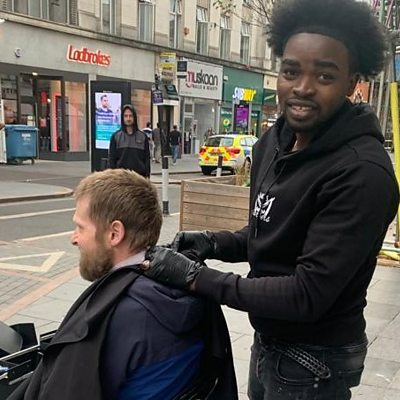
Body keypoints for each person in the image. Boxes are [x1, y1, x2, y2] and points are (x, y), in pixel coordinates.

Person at [142, 0, 400, 399]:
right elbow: (271, 234)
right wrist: (212, 242)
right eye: (291, 71)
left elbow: (306, 294)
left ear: (353, 84)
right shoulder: (273, 143)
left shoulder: (361, 173)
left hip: (315, 359)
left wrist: (196, 278)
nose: (303, 88)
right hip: (269, 340)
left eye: (324, 75)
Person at [7, 169, 237, 400]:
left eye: (80, 227)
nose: (73, 238)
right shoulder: (184, 291)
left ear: (114, 234)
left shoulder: (117, 320)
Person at [108, 104, 150, 178]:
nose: (128, 118)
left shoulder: (143, 137)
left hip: (139, 177)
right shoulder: (115, 137)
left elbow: (147, 159)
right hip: (121, 178)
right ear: (122, 118)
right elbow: (112, 160)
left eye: (130, 116)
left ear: (134, 117)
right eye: (126, 116)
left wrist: (147, 176)